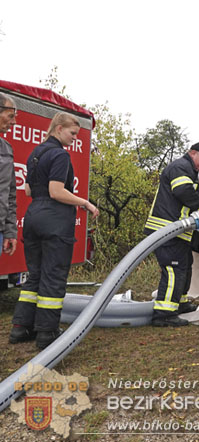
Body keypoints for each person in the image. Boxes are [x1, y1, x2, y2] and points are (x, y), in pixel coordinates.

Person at [9, 112, 99, 349]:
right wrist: (84, 203)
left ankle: (20, 328)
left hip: (33, 217)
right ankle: (47, 333)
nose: (74, 139)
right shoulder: (60, 155)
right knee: (54, 276)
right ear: (58, 129)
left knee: (35, 275)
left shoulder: (35, 154)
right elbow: (57, 191)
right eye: (72, 133)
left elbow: (28, 191)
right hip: (54, 220)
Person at [144, 142, 199, 327]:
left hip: (178, 230)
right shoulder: (180, 167)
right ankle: (164, 314)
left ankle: (181, 302)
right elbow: (183, 192)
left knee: (185, 266)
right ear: (193, 153)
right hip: (167, 229)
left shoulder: (188, 171)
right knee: (174, 269)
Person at [0, 93, 18, 258]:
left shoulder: (6, 149)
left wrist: (10, 231)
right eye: (10, 116)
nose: (14, 122)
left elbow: (10, 195)